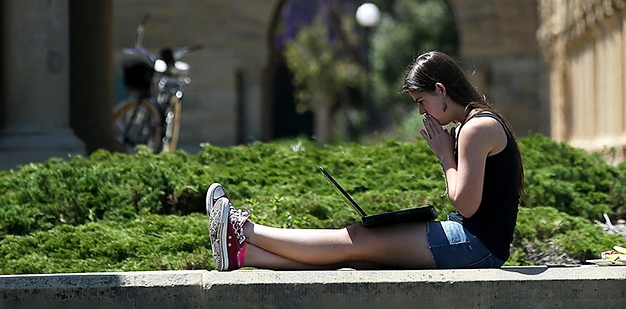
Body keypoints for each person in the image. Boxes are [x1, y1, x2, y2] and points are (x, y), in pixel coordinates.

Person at [207, 51, 526, 270]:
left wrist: (445, 156)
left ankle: (244, 230)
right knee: (361, 257)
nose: (421, 112)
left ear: (440, 90)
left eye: (421, 101)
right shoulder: (472, 125)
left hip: (476, 247)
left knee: (357, 238)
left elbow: (466, 205)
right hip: (473, 242)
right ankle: (243, 255)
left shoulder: (477, 127)